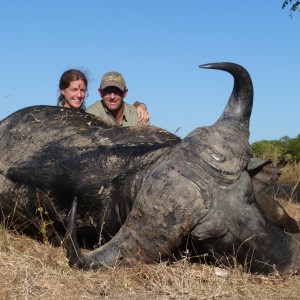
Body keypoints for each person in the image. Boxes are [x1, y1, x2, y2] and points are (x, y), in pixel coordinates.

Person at [57, 69, 150, 124]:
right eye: (74, 90)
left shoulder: (86, 116)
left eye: (82, 90)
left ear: (125, 93)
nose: (79, 95)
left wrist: (140, 105)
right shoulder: (92, 114)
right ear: (62, 91)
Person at [86, 71, 150, 126]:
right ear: (100, 93)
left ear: (125, 93)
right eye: (107, 91)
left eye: (117, 91)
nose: (112, 97)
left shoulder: (138, 115)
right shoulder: (92, 113)